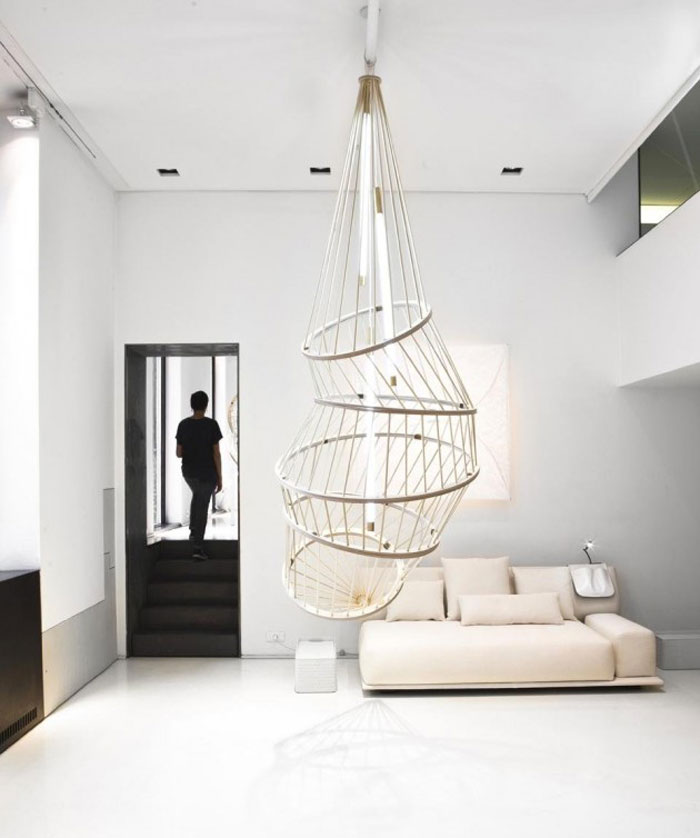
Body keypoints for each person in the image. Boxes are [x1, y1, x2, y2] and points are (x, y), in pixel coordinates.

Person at [176, 391, 223, 561]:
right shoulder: (211, 425)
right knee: (202, 506)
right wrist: (220, 477)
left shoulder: (183, 425)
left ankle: (193, 530)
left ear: (191, 405)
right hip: (207, 472)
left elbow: (178, 453)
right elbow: (216, 453)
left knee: (197, 496)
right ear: (206, 405)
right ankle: (197, 547)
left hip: (189, 472)